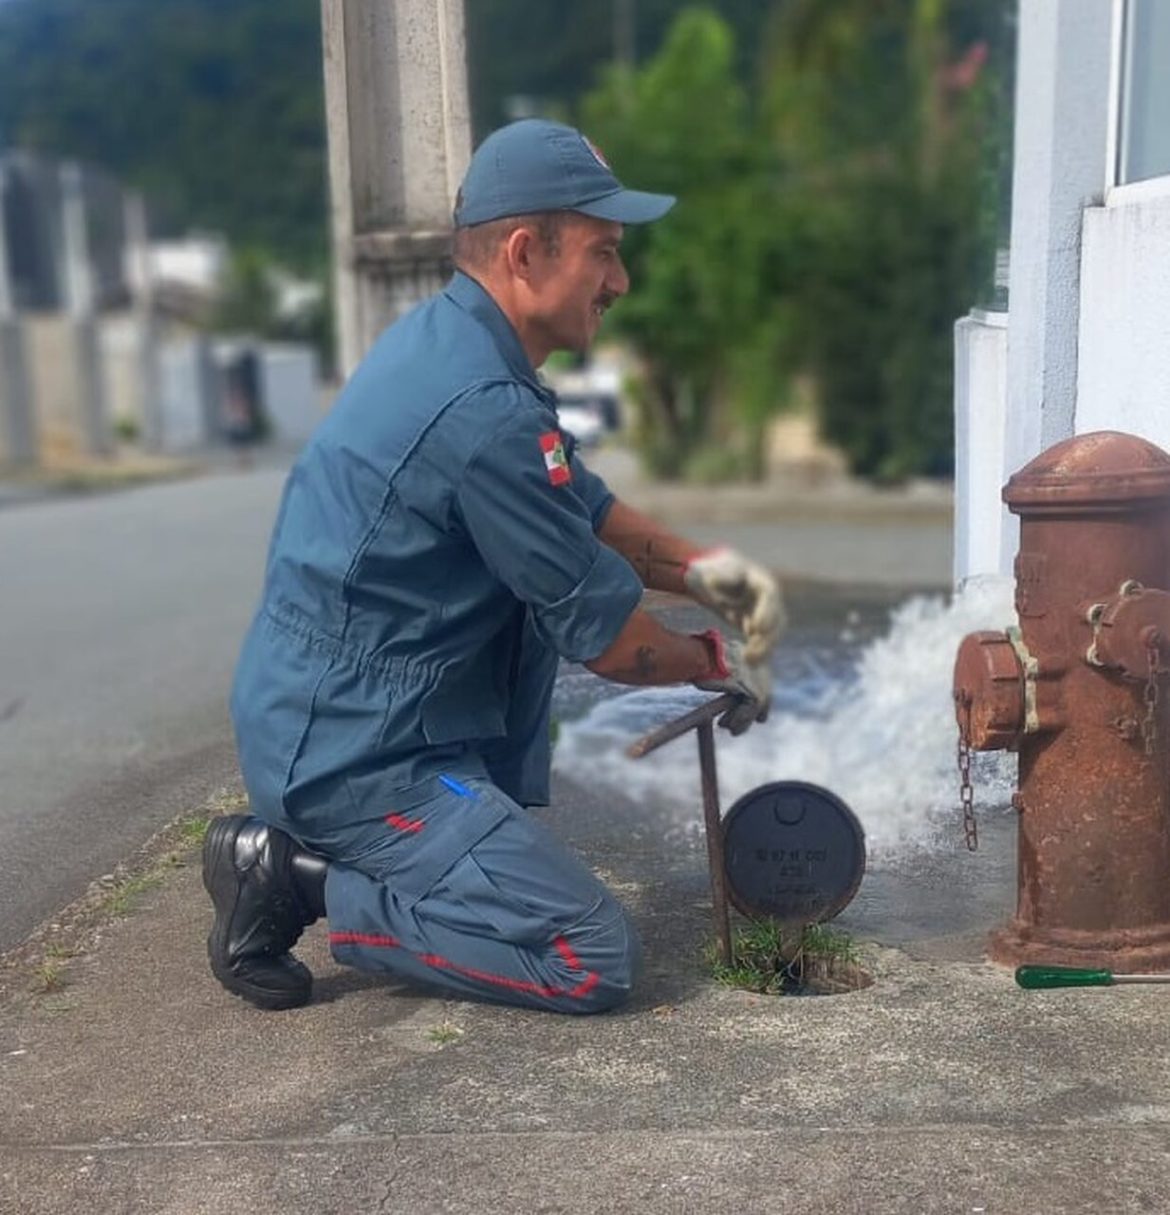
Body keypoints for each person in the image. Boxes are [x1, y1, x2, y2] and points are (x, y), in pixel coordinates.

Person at [203, 118, 782, 1015]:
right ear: (524, 251)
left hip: (345, 720)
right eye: (604, 253)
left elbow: (584, 515)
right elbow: (612, 643)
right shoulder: (485, 408)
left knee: (517, 874)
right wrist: (715, 662)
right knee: (590, 953)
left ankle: (353, 856)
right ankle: (294, 876)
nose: (620, 282)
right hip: (358, 757)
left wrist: (724, 576)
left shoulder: (454, 345)